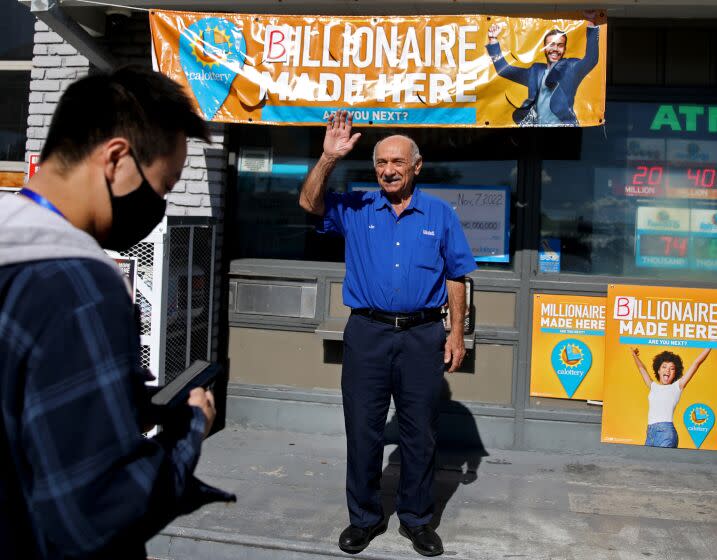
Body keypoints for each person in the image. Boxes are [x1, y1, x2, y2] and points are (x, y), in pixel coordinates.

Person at [0, 66, 234, 559]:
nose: (161, 206)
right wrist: (192, 429)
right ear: (116, 160)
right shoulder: (78, 285)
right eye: (163, 187)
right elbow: (96, 512)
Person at [299, 111, 477, 557]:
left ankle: (417, 520)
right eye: (380, 163)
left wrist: (457, 333)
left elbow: (457, 275)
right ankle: (364, 518)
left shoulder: (440, 213)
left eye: (397, 162)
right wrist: (327, 158)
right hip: (367, 333)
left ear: (417, 166)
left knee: (420, 433)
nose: (388, 170)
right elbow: (309, 204)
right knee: (363, 430)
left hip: (422, 336)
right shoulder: (356, 207)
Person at [486, 12, 599, 126]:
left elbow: (591, 59)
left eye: (560, 45)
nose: (555, 49)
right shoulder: (536, 71)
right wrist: (493, 39)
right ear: (545, 48)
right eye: (551, 44)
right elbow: (504, 70)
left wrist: (591, 22)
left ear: (564, 49)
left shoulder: (571, 68)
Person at [630, 347, 712, 448]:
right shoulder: (653, 386)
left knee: (664, 463)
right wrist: (634, 355)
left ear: (675, 373)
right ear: (658, 370)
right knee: (649, 463)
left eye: (672, 368)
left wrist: (710, 345)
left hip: (666, 433)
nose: (667, 370)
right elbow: (642, 368)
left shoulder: (677, 387)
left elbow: (696, 363)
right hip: (650, 433)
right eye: (664, 367)